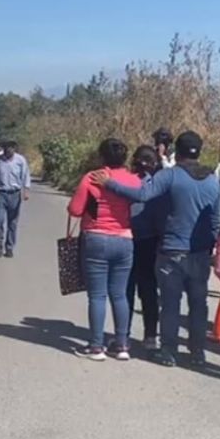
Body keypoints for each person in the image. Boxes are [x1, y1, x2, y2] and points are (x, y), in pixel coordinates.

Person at [93, 131, 220, 368]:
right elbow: (215, 220)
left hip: (172, 250)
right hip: (200, 253)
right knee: (199, 304)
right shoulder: (212, 180)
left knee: (171, 303)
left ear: (178, 151)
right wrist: (210, 247)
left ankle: (169, 351)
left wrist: (110, 184)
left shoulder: (170, 176)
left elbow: (142, 194)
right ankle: (197, 353)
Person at [68, 139, 141, 361]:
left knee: (97, 295)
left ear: (101, 157)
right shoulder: (133, 180)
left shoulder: (92, 178)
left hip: (96, 239)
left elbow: (75, 209)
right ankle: (121, 345)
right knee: (119, 294)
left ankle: (96, 346)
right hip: (124, 239)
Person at [126, 145, 166, 350]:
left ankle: (123, 335)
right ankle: (150, 335)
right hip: (149, 242)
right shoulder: (158, 185)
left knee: (126, 289)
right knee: (149, 289)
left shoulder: (125, 182)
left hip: (126, 239)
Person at [0, 140, 31, 258]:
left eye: (11, 148)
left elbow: (25, 175)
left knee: (13, 222)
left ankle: (9, 247)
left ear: (15, 149)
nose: (9, 150)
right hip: (0, 193)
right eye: (6, 148)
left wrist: (26, 190)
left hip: (15, 194)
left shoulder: (20, 161)